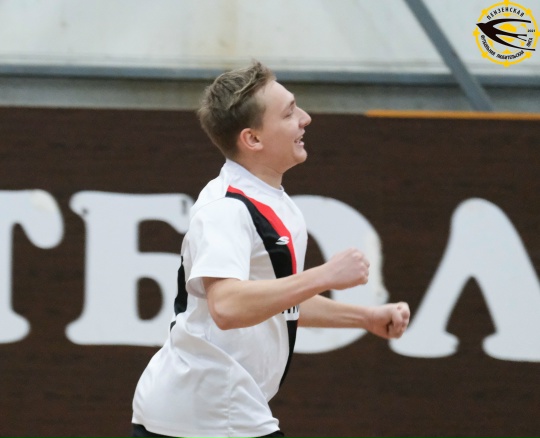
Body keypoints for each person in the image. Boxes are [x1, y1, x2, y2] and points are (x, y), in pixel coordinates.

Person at [130, 61, 410, 438]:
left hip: (204, 410)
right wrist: (324, 276)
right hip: (209, 412)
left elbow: (276, 301)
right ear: (253, 139)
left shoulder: (275, 202)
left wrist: (366, 318)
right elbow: (227, 306)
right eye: (290, 112)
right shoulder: (227, 208)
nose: (305, 119)